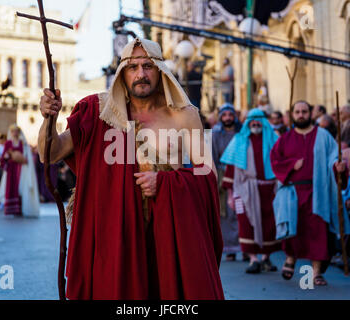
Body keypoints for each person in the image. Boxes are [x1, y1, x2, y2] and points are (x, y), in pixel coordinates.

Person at [37, 38, 224, 300]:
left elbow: (208, 175)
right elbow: (50, 153)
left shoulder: (186, 114)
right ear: (122, 74)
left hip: (167, 235)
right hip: (117, 237)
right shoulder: (97, 112)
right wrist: (49, 119)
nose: (140, 74)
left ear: (160, 71)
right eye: (132, 67)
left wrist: (166, 183)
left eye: (148, 66)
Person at [270, 100, 350, 286]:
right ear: (292, 115)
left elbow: (333, 157)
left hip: (318, 191)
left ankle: (315, 273)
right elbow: (274, 161)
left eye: (304, 111)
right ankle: (290, 258)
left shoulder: (323, 136)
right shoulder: (285, 138)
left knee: (317, 231)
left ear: (310, 113)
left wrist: (337, 167)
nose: (301, 115)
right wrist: (291, 165)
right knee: (293, 228)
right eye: (297, 112)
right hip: (293, 192)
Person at [221, 108, 281, 274]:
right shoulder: (239, 141)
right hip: (243, 189)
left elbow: (281, 163)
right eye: (251, 119)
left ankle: (266, 258)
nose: (255, 123)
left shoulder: (274, 139)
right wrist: (230, 196)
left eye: (258, 119)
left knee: (270, 224)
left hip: (270, 189)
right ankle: (253, 259)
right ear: (247, 122)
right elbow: (231, 168)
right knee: (245, 223)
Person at [212, 103, 242, 261]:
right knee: (226, 212)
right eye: (224, 115)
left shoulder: (242, 133)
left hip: (241, 174)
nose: (228, 118)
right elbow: (213, 157)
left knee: (241, 211)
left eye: (230, 115)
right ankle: (230, 249)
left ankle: (245, 247)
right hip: (223, 174)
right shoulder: (216, 134)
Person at [0, 124, 40, 217]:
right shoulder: (8, 143)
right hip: (11, 170)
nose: (15, 133)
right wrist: (7, 157)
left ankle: (20, 209)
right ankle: (10, 209)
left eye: (16, 131)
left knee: (21, 188)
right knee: (11, 187)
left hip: (21, 169)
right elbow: (3, 157)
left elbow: (26, 156)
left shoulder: (22, 143)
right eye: (13, 131)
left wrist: (23, 160)